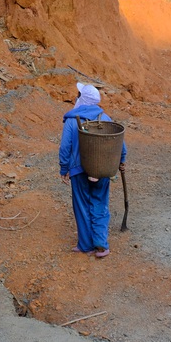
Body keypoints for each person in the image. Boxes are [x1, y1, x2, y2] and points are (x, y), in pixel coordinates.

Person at [59, 82, 126, 258]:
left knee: (81, 206)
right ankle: (101, 245)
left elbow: (65, 147)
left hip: (79, 171)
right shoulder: (105, 118)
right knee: (100, 203)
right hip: (102, 169)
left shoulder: (72, 119)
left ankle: (85, 245)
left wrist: (63, 168)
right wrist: (122, 161)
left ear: (82, 99)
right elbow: (120, 143)